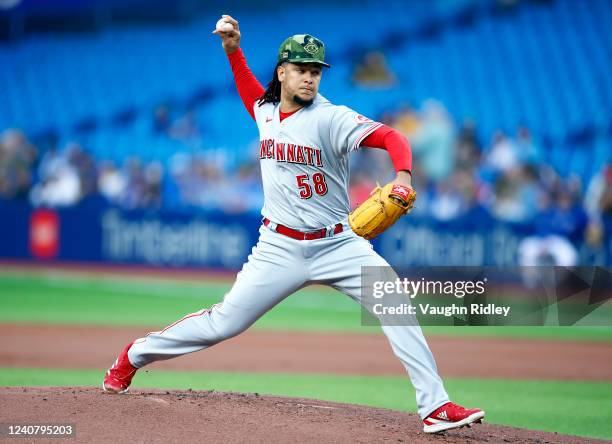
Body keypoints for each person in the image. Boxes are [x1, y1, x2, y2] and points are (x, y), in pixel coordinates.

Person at [103, 15, 484, 434]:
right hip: (278, 248)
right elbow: (251, 92)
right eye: (302, 69)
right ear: (282, 72)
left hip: (339, 243)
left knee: (395, 306)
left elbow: (394, 138)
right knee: (224, 323)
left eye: (316, 71)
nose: (309, 78)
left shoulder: (331, 117)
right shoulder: (266, 110)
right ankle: (134, 355)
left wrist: (404, 176)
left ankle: (434, 406)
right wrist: (233, 50)